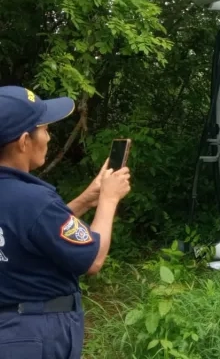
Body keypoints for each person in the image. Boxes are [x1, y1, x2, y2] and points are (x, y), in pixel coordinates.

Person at [0, 85, 131, 358]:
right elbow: (92, 260)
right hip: (34, 336)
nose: (48, 137)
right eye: (45, 129)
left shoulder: (23, 200)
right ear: (24, 141)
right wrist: (108, 200)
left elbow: (32, 231)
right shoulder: (34, 200)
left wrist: (86, 199)